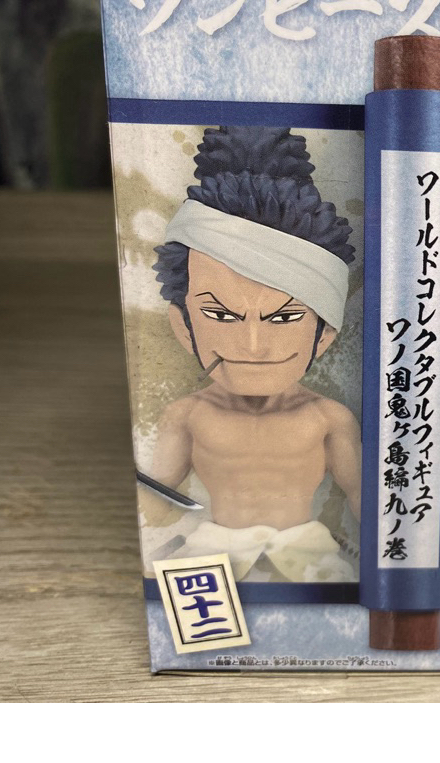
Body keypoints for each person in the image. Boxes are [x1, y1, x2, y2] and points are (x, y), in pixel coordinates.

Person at [149, 126, 362, 581]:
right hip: (211, 556)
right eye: (221, 315)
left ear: (324, 334)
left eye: (283, 318)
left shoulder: (328, 418)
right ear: (184, 327)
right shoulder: (186, 415)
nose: (252, 346)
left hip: (311, 558)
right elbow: (156, 499)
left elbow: (367, 498)